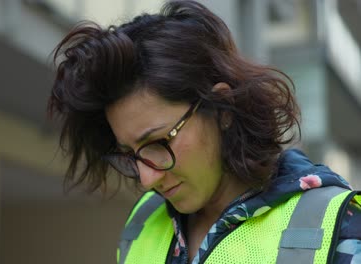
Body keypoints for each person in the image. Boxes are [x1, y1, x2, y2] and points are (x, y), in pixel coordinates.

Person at [48, 1, 361, 263]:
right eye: (130, 154)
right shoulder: (143, 222)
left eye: (158, 142)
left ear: (222, 108)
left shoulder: (336, 225)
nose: (146, 179)